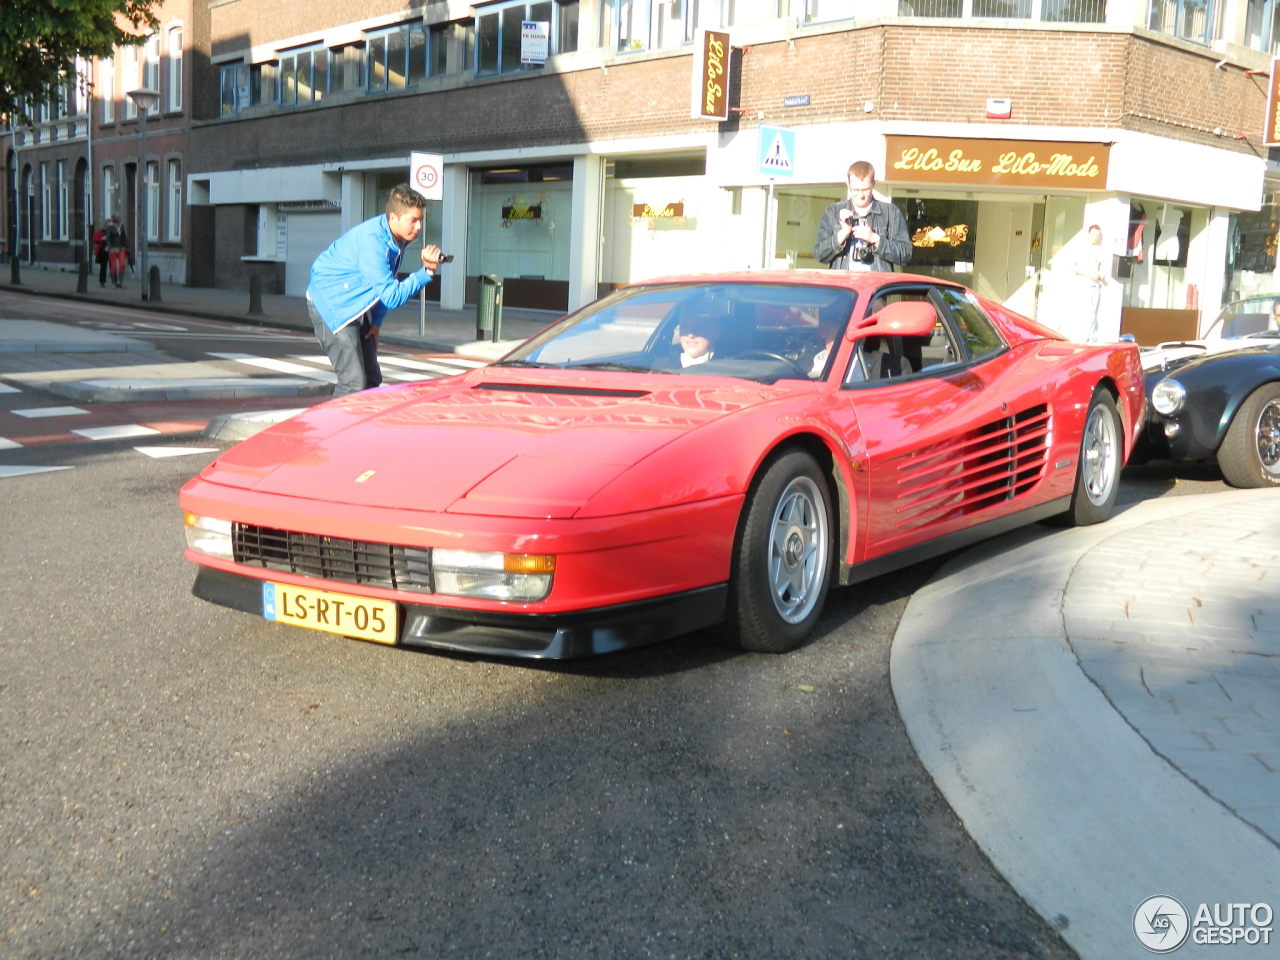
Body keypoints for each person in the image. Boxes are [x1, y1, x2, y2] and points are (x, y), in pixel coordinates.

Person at [306, 184, 444, 397]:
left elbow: (384, 283)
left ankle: (361, 427)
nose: (419, 227)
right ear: (393, 218)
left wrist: (376, 323)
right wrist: (426, 272)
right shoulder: (374, 243)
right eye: (413, 220)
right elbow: (391, 296)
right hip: (332, 304)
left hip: (355, 303)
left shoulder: (395, 238)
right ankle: (334, 428)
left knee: (372, 378)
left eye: (421, 220)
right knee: (353, 382)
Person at [813, 161, 912, 272]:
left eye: (865, 190)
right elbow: (819, 254)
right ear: (848, 185)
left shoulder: (891, 212)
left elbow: (906, 255)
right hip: (844, 285)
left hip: (877, 285)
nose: (860, 195)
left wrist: (875, 239)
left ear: (873, 184)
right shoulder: (833, 211)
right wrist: (842, 235)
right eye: (855, 190)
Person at [1069, 224, 1109, 342]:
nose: (1096, 237)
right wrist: (1088, 273)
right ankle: (1087, 338)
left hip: (1096, 285)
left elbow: (1101, 269)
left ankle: (1091, 337)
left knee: (1093, 313)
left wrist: (1100, 275)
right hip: (1084, 284)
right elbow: (1072, 266)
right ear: (1089, 234)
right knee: (1087, 313)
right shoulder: (1081, 249)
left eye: (1098, 235)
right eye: (1094, 235)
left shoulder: (1099, 250)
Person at [105, 216, 128, 288]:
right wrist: (110, 248)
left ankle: (120, 282)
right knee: (114, 266)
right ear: (114, 221)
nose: (118, 223)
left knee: (122, 264)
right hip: (112, 249)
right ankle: (114, 282)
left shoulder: (122, 227)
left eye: (119, 221)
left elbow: (124, 238)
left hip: (121, 249)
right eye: (117, 221)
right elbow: (107, 239)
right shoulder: (110, 228)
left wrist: (125, 246)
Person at [92, 220, 110, 287]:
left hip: (112, 251)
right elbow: (95, 239)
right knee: (103, 267)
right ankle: (102, 281)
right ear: (105, 225)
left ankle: (115, 282)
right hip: (103, 251)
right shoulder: (101, 232)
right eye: (108, 224)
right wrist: (102, 239)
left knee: (113, 267)